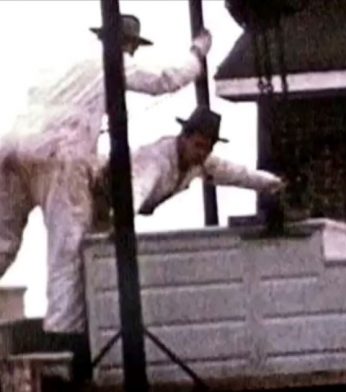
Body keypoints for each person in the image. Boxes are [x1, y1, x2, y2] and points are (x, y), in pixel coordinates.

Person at [0, 14, 213, 337]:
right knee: (68, 251)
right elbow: (164, 79)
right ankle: (63, 342)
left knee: (3, 242)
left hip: (13, 149)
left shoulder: (67, 66)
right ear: (128, 45)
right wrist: (197, 54)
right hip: (60, 157)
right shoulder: (114, 61)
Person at [92, 105, 284, 231]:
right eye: (198, 145)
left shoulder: (201, 162)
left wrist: (273, 183)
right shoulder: (157, 160)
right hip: (95, 192)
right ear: (184, 137)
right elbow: (138, 188)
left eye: (208, 148)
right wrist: (122, 222)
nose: (202, 153)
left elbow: (236, 173)